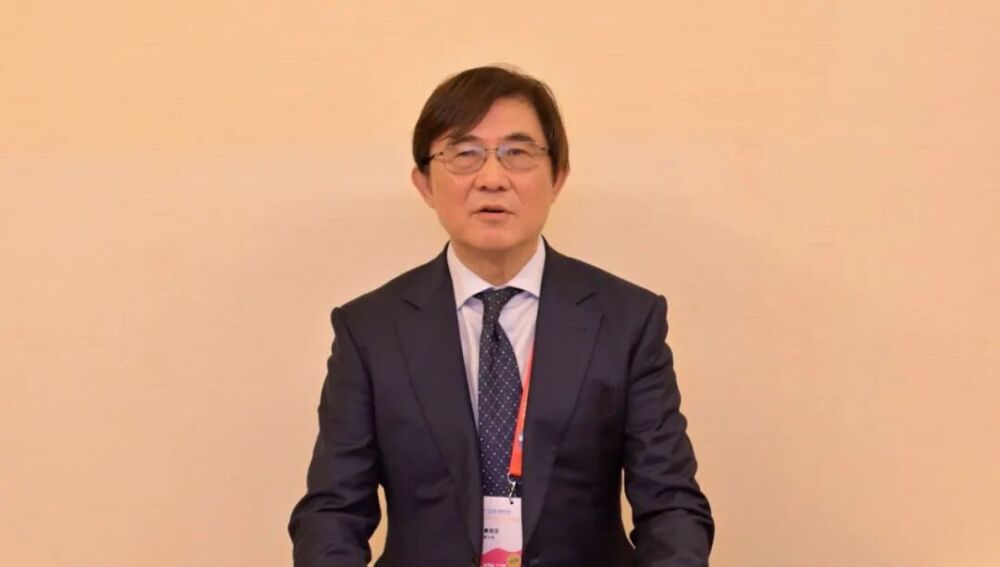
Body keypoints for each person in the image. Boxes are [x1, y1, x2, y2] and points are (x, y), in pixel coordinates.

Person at [288, 65, 714, 566]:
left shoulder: (627, 320)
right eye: (464, 154)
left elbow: (670, 505)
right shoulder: (370, 330)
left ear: (558, 177)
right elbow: (334, 512)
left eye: (517, 153)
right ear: (424, 183)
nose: (492, 179)